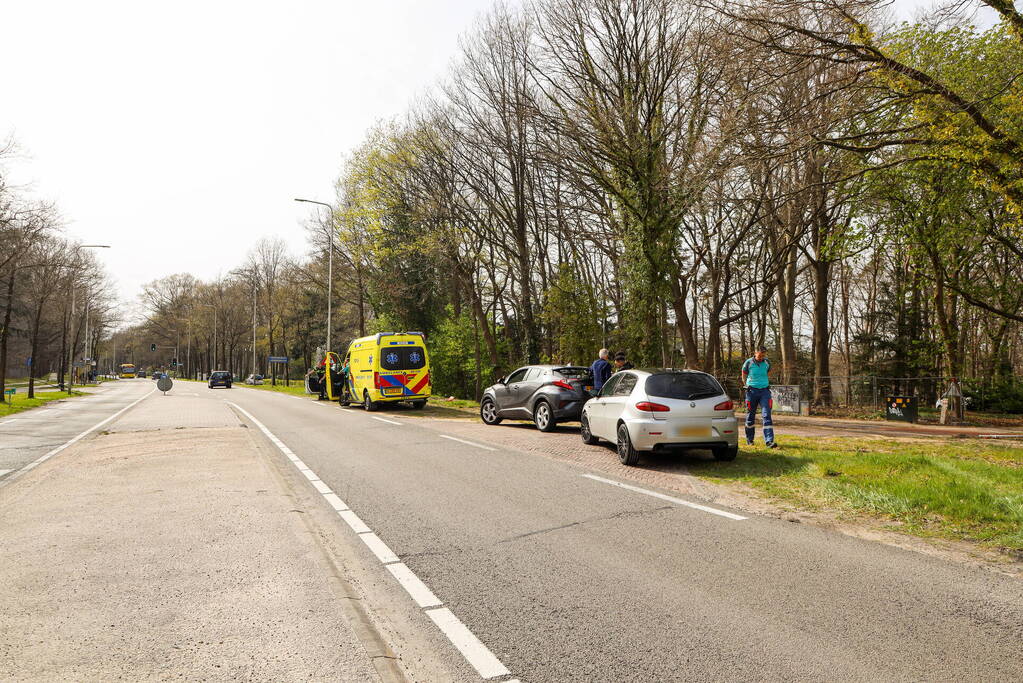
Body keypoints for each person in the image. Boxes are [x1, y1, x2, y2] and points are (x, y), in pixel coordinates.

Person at [741, 345, 777, 448]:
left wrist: (765, 381)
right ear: (755, 353)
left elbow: (768, 372)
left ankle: (769, 441)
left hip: (765, 392)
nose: (762, 357)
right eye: (760, 355)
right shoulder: (748, 362)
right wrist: (745, 384)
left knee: (767, 415)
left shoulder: (767, 362)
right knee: (750, 416)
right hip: (751, 391)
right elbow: (744, 373)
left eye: (764, 355)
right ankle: (750, 440)